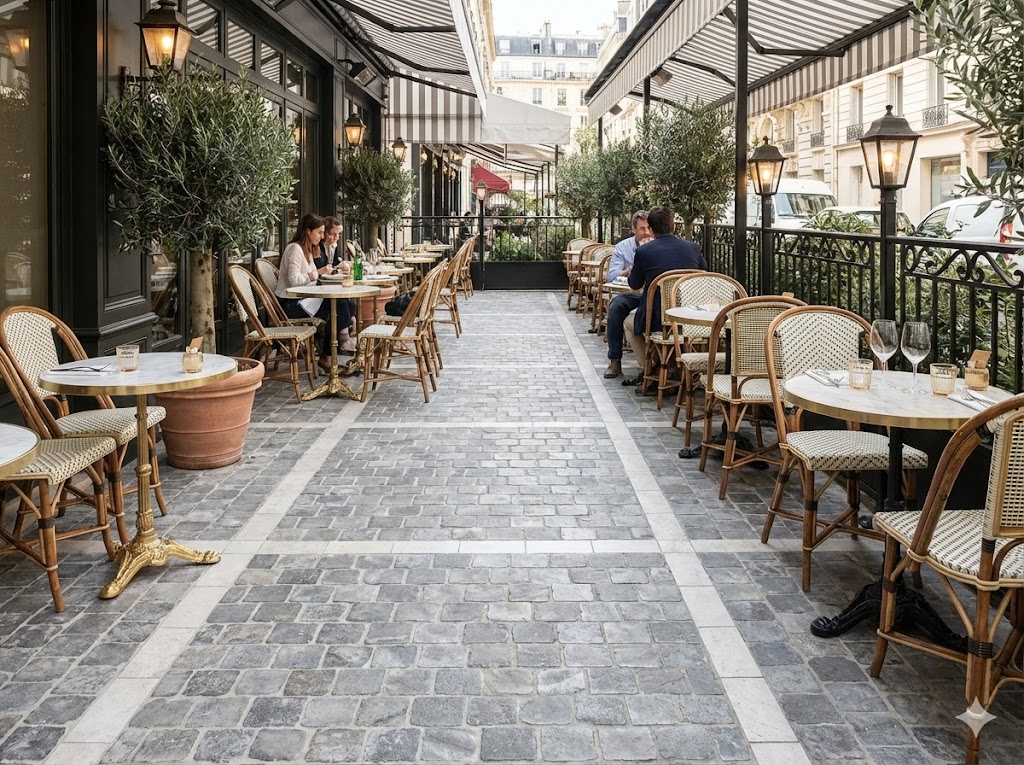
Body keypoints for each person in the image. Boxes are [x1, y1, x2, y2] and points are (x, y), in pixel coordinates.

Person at [605, 206, 707, 384]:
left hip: (656, 314)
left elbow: (634, 284)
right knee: (618, 305)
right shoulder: (693, 248)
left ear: (651, 228)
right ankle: (662, 366)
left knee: (630, 324)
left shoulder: (645, 251)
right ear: (673, 226)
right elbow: (703, 277)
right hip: (686, 314)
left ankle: (650, 368)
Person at [276, 213, 358, 369]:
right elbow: (294, 280)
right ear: (308, 231)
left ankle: (331, 351)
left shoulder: (308, 250)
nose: (322, 236)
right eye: (319, 232)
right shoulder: (295, 249)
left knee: (346, 304)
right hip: (290, 304)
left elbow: (311, 278)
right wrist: (318, 273)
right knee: (338, 306)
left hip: (303, 299)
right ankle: (338, 345)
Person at [602, 210, 653, 378]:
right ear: (633, 229)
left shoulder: (656, 246)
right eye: (642, 228)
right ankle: (615, 360)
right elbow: (611, 276)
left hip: (654, 296)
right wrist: (629, 270)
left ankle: (659, 362)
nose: (646, 232)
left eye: (649, 228)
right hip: (633, 294)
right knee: (616, 306)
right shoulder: (623, 247)